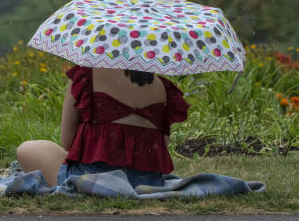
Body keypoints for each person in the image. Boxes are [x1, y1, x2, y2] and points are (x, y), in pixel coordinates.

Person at [16, 66, 189, 187]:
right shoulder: (163, 88)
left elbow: (67, 143)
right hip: (147, 181)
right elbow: (161, 148)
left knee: (27, 149)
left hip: (89, 177)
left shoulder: (87, 75)